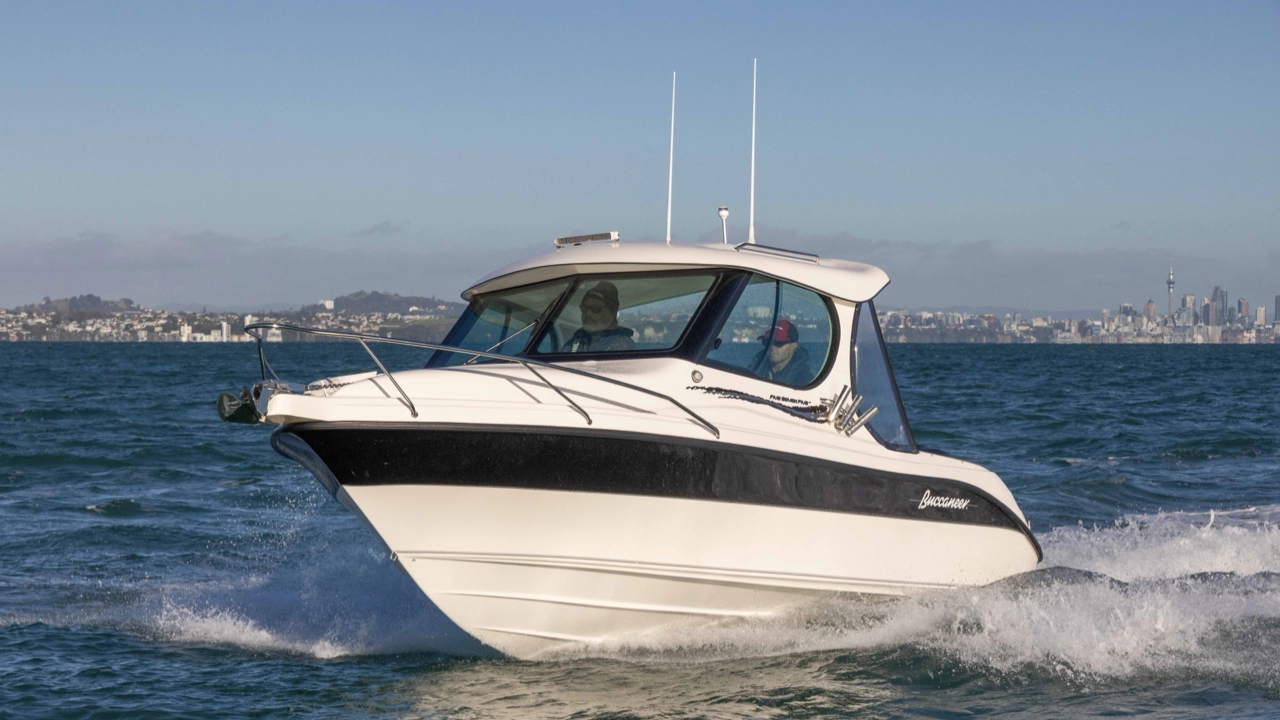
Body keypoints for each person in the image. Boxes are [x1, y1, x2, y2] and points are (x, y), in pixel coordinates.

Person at [562, 281, 636, 353]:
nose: (588, 313)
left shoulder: (622, 345)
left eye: (596, 309)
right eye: (585, 307)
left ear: (613, 313)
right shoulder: (576, 341)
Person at [753, 319, 812, 385]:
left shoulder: (805, 381)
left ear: (793, 345)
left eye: (779, 343)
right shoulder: (756, 369)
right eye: (768, 341)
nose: (772, 346)